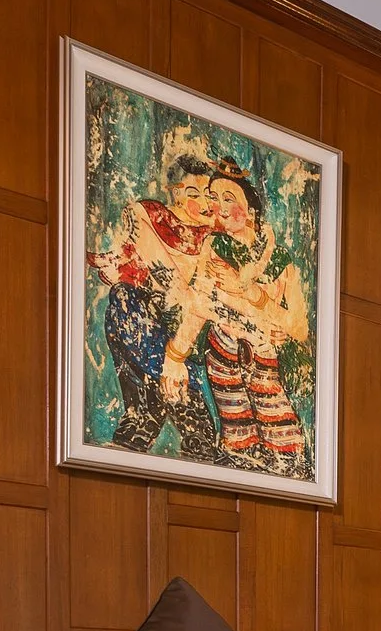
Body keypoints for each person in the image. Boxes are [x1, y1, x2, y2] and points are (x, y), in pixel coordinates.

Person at [90, 153, 239, 466]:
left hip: (190, 347)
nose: (205, 204)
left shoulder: (216, 239)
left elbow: (207, 303)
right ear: (176, 193)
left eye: (208, 195)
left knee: (147, 424)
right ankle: (162, 414)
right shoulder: (149, 218)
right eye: (194, 193)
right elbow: (118, 266)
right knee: (123, 300)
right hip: (152, 339)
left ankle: (152, 418)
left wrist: (177, 356)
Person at [195, 160, 314, 469]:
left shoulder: (278, 258)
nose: (218, 207)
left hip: (267, 365)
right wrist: (263, 317)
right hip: (226, 357)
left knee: (287, 450)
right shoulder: (212, 247)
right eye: (213, 197)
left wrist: (249, 293)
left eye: (228, 199)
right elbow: (205, 301)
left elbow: (299, 328)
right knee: (239, 445)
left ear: (249, 211)